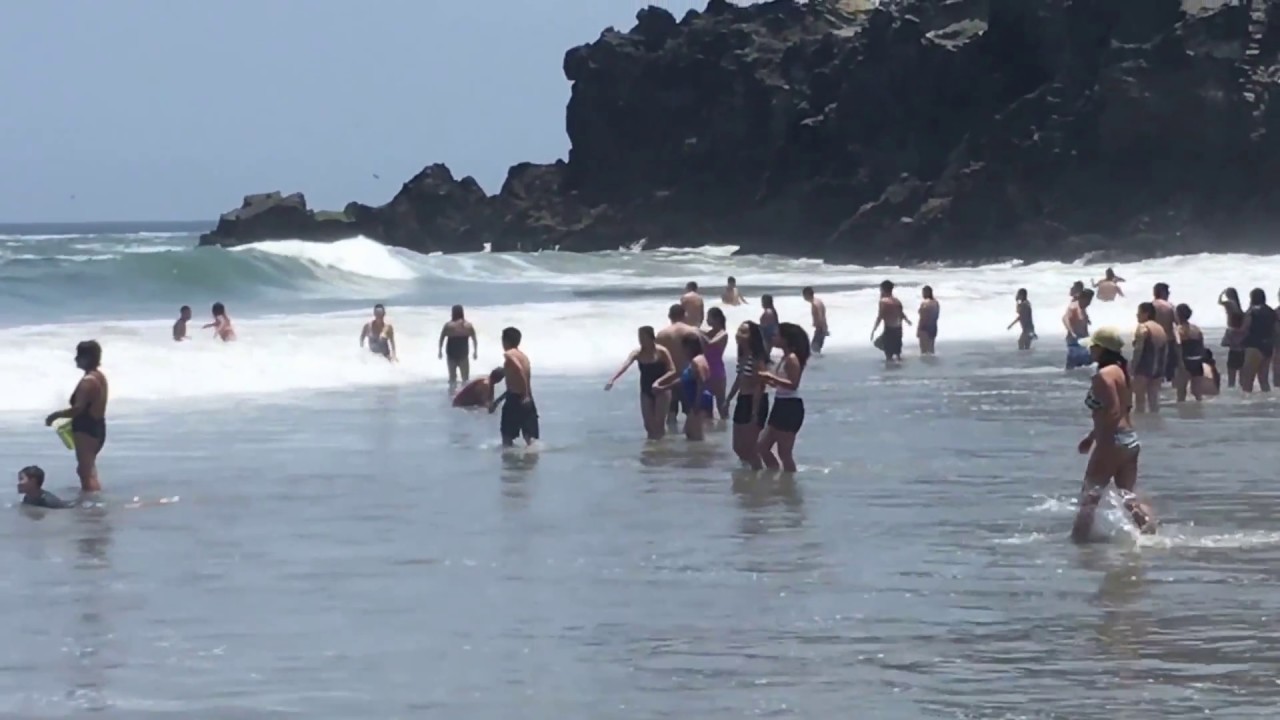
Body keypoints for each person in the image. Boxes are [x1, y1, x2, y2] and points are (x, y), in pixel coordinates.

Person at [1072, 327, 1152, 542]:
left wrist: (1100, 442)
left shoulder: (1103, 376)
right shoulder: (1121, 372)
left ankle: (1078, 546)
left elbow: (1113, 412)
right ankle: (1151, 534)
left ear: (1101, 349)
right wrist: (1091, 437)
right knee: (1128, 497)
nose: (1090, 350)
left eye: (1093, 347)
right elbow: (1123, 410)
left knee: (1089, 497)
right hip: (1130, 440)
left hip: (1112, 441)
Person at [44, 340, 108, 492]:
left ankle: (93, 505)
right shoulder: (100, 377)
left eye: (79, 356)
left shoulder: (88, 381)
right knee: (87, 469)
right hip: (97, 425)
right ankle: (93, 500)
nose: (76, 359)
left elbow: (78, 409)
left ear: (87, 358)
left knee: (86, 472)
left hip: (86, 428)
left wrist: (55, 415)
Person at [604, 326, 676, 440]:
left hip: (661, 389)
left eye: (643, 337)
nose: (641, 340)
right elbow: (625, 365)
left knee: (659, 424)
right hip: (646, 390)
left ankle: (662, 450)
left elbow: (673, 370)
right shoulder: (637, 353)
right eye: (639, 337)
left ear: (651, 337)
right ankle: (652, 447)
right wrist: (612, 379)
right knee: (648, 425)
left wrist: (658, 382)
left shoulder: (661, 351)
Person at [758, 322, 810, 473]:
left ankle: (788, 485)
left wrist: (771, 377)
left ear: (786, 339)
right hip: (780, 404)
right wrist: (769, 380)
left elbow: (793, 384)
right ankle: (775, 475)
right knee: (762, 446)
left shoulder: (792, 358)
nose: (774, 337)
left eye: (777, 335)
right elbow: (782, 384)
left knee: (784, 453)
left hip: (790, 407)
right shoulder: (784, 357)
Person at [726, 321, 770, 469]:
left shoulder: (757, 358)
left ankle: (758, 476)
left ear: (752, 337)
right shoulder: (743, 355)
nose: (739, 334)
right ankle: (750, 473)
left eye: (744, 332)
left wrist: (754, 412)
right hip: (742, 400)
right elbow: (739, 379)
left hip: (754, 401)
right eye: (739, 331)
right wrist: (728, 398)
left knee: (750, 448)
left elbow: (760, 384)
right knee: (737, 447)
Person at [654, 334, 714, 441]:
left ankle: (703, 456)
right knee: (689, 433)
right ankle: (697, 456)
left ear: (689, 347)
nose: (682, 351)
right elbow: (683, 380)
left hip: (699, 400)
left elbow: (702, 381)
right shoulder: (695, 360)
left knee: (696, 436)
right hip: (697, 400)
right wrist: (664, 387)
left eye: (683, 347)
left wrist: (697, 403)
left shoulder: (696, 361)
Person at [490, 327, 538, 447]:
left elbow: (518, 369)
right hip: (527, 400)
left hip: (516, 400)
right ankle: (531, 462)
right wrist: (497, 401)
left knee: (506, 437)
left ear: (505, 341)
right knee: (529, 439)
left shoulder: (509, 354)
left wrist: (525, 394)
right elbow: (515, 384)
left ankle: (508, 464)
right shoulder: (524, 357)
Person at [655, 304, 702, 426]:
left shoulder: (661, 334)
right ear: (684, 315)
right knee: (692, 413)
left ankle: (672, 441)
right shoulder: (693, 331)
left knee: (670, 415)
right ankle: (693, 443)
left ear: (669, 316)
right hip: (689, 376)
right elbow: (701, 357)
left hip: (669, 377)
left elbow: (658, 359)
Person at [1131, 302, 1168, 413]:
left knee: (1139, 401)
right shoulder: (1160, 328)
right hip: (1159, 367)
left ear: (1146, 314)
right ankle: (1155, 425)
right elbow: (1165, 350)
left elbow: (1138, 349)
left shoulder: (1143, 327)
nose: (1137, 315)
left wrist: (1133, 366)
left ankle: (1142, 426)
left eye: (1139, 312)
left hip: (1144, 366)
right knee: (1154, 401)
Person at [1239, 287, 1277, 393]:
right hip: (1268, 346)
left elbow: (1244, 328)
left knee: (1248, 378)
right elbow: (1275, 329)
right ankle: (1267, 399)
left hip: (1254, 345)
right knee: (1263, 379)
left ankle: (1247, 402)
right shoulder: (1271, 311)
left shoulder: (1252, 311)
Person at [1173, 303, 1208, 403]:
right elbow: (1201, 346)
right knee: (1197, 392)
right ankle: (1199, 412)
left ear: (1178, 315)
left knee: (1181, 392)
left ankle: (1181, 414)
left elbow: (1178, 347)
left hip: (1185, 360)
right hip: (1197, 361)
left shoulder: (1178, 330)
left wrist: (1180, 363)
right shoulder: (1196, 329)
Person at [438, 305, 477, 387]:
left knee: (452, 378)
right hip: (463, 355)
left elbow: (441, 339)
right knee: (465, 379)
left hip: (451, 355)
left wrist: (440, 351)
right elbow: (474, 339)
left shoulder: (448, 325)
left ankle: (452, 395)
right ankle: (464, 395)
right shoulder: (468, 326)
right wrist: (475, 352)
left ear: (453, 313)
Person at [871, 280, 910, 361]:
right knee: (897, 352)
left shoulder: (883, 301)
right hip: (898, 329)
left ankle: (890, 369)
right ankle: (899, 368)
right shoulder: (897, 300)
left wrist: (874, 329)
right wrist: (907, 320)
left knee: (886, 351)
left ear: (883, 289)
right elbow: (901, 313)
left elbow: (880, 316)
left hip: (889, 329)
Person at [703, 308, 731, 419]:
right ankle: (712, 433)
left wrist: (698, 332)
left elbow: (710, 343)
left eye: (709, 317)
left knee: (721, 405)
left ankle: (725, 429)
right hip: (705, 372)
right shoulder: (708, 333)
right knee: (706, 406)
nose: (706, 320)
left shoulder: (723, 333)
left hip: (717, 372)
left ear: (717, 319)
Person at [1152, 283, 1180, 383]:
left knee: (1154, 369)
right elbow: (1177, 323)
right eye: (1167, 292)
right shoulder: (1170, 306)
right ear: (1163, 293)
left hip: (1153, 340)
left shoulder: (1150, 306)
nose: (1168, 294)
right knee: (1170, 370)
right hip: (1169, 339)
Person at [1218, 287, 1246, 388]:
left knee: (1232, 370)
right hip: (1240, 341)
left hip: (1232, 333)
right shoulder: (1239, 307)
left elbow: (1219, 301)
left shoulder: (1230, 304)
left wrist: (1222, 292)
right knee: (1241, 370)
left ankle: (1232, 388)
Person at [1063, 288, 1093, 369]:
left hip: (1083, 341)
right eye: (1088, 300)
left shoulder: (1083, 308)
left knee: (1084, 366)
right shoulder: (1073, 307)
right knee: (1072, 367)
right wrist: (1072, 332)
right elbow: (1065, 318)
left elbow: (1083, 324)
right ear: (1083, 298)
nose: (1089, 303)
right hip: (1074, 341)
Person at [803, 287, 828, 355]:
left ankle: (818, 365)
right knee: (816, 350)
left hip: (820, 329)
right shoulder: (818, 301)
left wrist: (822, 328)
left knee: (814, 350)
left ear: (807, 295)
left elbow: (820, 317)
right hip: (822, 328)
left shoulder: (815, 304)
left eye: (804, 295)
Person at [917, 285, 940, 355]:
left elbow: (923, 318)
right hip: (933, 327)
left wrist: (919, 329)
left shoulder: (924, 303)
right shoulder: (936, 303)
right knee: (931, 350)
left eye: (923, 292)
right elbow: (936, 316)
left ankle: (926, 364)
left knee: (924, 351)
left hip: (925, 328)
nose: (922, 294)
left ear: (927, 293)